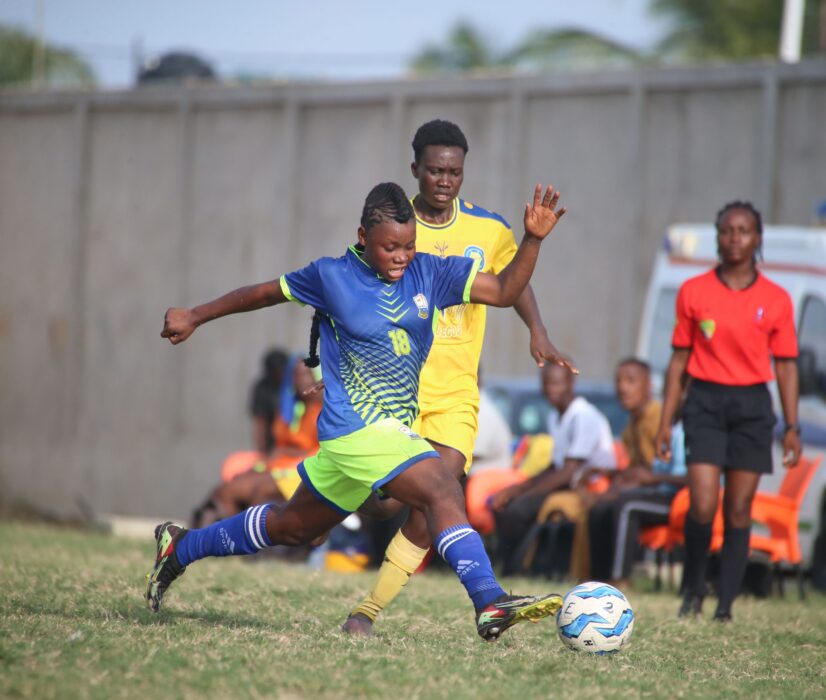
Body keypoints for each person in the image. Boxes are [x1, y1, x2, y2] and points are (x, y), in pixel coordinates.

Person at [146, 180, 568, 641]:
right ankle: (488, 600)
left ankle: (182, 546)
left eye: (409, 246)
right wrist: (195, 315)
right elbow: (265, 293)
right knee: (442, 487)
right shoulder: (331, 276)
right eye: (391, 247)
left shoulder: (432, 273)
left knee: (293, 527)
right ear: (363, 237)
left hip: (382, 434)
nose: (402, 257)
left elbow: (506, 290)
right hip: (356, 428)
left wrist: (533, 240)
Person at [342, 119, 576, 635]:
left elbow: (512, 283)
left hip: (454, 395)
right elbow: (354, 295)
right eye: (434, 170)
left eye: (454, 171)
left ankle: (368, 612)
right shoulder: (393, 223)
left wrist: (537, 329)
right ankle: (360, 504)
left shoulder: (488, 230)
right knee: (382, 507)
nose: (445, 180)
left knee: (436, 497)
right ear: (415, 171)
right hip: (393, 387)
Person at [654, 200, 801, 622]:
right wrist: (666, 421)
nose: (734, 239)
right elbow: (678, 363)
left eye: (744, 231)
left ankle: (724, 606)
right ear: (718, 237)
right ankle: (693, 588)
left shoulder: (775, 299)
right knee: (702, 504)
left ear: (758, 239)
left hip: (753, 407)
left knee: (739, 509)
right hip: (704, 403)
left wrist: (791, 426)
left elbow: (786, 366)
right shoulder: (694, 292)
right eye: (727, 231)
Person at [490, 362, 616, 576]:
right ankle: (508, 566)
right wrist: (515, 490)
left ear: (571, 383)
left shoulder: (583, 416)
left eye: (557, 383)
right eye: (546, 383)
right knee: (504, 502)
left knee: (518, 509)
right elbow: (555, 467)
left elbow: (569, 471)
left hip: (593, 486)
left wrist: (524, 495)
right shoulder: (555, 417)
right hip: (567, 482)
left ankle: (518, 570)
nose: (551, 389)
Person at [588, 359, 687, 586]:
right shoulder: (633, 426)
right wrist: (616, 475)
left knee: (626, 504)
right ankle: (597, 580)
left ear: (648, 386)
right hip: (657, 489)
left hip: (678, 499)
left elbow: (658, 473)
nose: (622, 387)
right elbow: (644, 469)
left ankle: (619, 579)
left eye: (630, 381)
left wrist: (646, 479)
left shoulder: (666, 422)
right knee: (601, 505)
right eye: (619, 380)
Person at [205, 359, 323, 523]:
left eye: (306, 374)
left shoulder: (326, 410)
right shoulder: (290, 409)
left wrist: (285, 453)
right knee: (226, 489)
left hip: (302, 469)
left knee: (258, 493)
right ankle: (233, 540)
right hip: (278, 464)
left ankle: (246, 540)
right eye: (296, 375)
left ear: (319, 377)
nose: (300, 380)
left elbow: (321, 451)